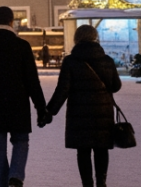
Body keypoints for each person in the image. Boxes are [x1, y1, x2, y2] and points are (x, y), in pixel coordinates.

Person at [0, 6, 49, 187]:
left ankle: (3, 184)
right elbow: (32, 81)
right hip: (18, 103)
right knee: (21, 141)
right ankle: (16, 176)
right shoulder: (22, 46)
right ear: (12, 21)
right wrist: (41, 108)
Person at [46, 24, 123, 187]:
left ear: (77, 38)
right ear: (95, 38)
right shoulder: (107, 60)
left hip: (79, 113)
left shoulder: (70, 61)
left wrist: (49, 111)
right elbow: (116, 86)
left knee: (83, 151)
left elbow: (62, 90)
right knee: (101, 149)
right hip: (103, 111)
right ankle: (101, 182)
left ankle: (87, 184)